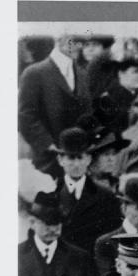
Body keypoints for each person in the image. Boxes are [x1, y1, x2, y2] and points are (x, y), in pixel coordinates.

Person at [19, 33, 91, 172]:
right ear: (60, 38)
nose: (80, 46)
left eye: (83, 42)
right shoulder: (34, 73)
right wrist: (48, 145)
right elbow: (25, 116)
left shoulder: (82, 73)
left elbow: (87, 112)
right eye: (74, 41)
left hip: (77, 161)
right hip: (47, 160)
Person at [19, 191, 98, 276]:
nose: (53, 229)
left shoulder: (80, 257)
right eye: (47, 223)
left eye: (57, 223)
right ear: (32, 222)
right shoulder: (16, 256)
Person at [53, 127, 122, 255]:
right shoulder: (50, 193)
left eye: (80, 158)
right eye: (71, 158)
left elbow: (111, 239)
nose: (76, 164)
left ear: (89, 159)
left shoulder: (106, 196)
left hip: (91, 267)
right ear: (60, 160)